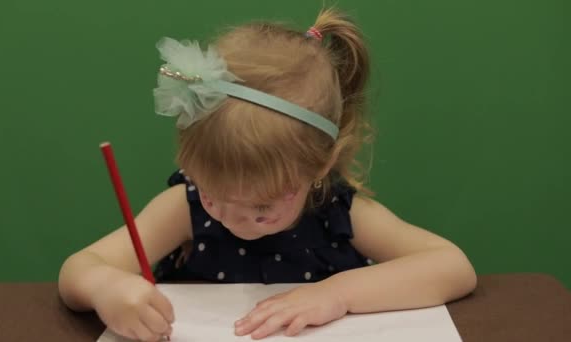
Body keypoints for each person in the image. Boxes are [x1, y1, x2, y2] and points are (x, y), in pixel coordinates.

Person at [58, 7, 477, 341]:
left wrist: (337, 294)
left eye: (261, 205)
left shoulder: (337, 213)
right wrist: (106, 289)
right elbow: (78, 270)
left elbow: (453, 266)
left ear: (320, 167)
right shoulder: (182, 208)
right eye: (212, 194)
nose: (231, 216)